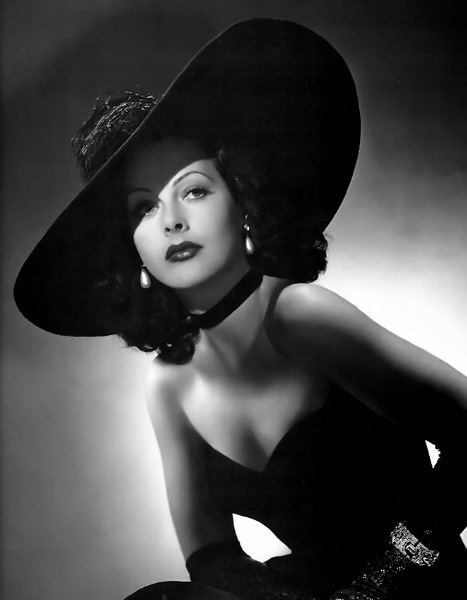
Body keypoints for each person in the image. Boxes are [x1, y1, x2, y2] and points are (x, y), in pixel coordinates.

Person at [14, 18, 467, 600]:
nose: (171, 220)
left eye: (194, 190)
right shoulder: (170, 385)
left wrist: (384, 578)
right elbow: (209, 553)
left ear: (243, 199)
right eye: (143, 208)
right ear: (132, 251)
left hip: (422, 580)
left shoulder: (300, 315)